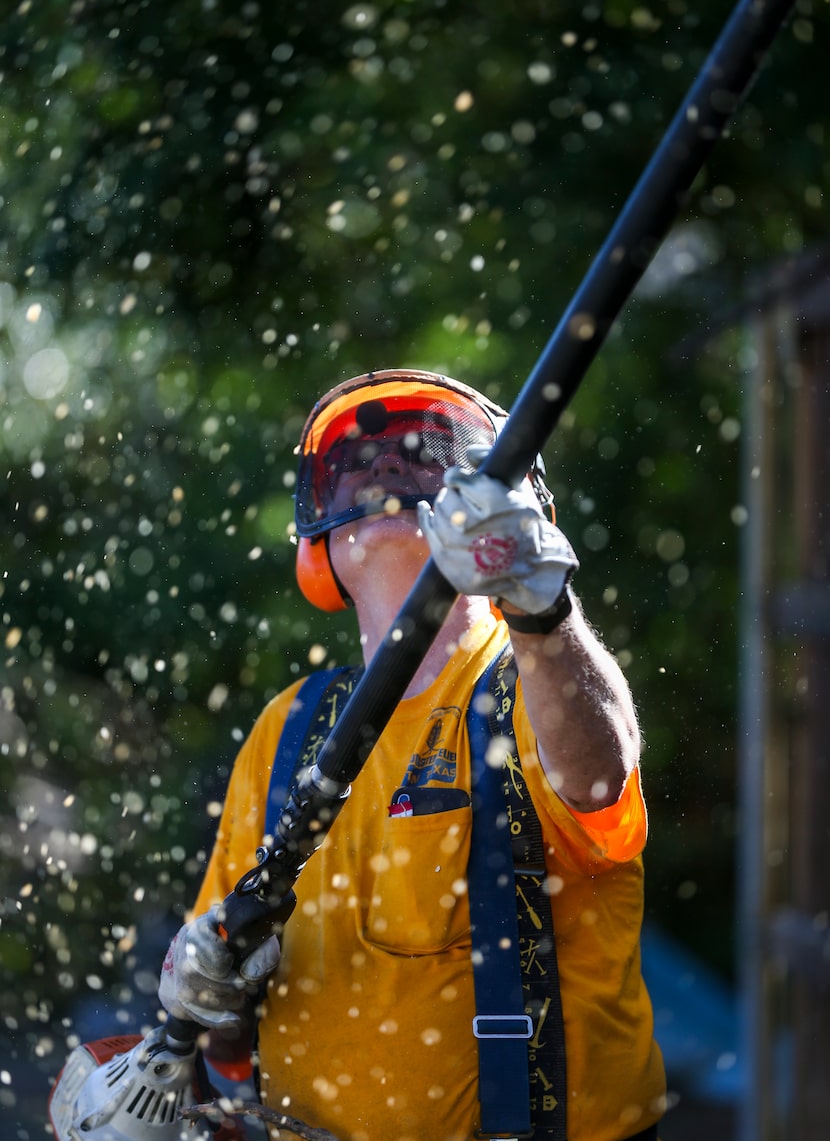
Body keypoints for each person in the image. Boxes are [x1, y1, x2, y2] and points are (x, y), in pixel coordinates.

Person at [158, 368, 666, 1141]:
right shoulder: (289, 728)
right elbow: (223, 1024)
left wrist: (541, 607)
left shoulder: (537, 678)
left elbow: (600, 778)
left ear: (513, 506)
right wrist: (208, 992)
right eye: (356, 461)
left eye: (425, 452)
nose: (386, 466)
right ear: (320, 544)